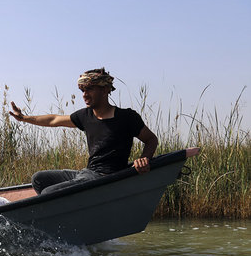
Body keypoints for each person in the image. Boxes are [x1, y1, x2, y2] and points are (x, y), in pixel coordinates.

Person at [9, 68, 159, 195]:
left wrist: (144, 158)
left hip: (103, 178)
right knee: (38, 178)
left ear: (105, 89)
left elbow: (151, 140)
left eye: (89, 89)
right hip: (88, 172)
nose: (84, 94)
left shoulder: (127, 117)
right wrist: (23, 118)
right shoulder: (85, 116)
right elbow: (53, 120)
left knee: (49, 193)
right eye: (82, 90)